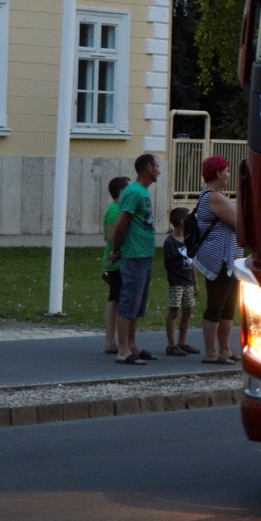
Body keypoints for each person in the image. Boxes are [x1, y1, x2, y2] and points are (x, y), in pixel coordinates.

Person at [109, 153, 160, 365]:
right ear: (148, 167)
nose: (159, 170)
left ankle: (132, 345)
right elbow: (121, 224)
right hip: (134, 255)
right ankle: (123, 350)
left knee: (137, 305)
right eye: (157, 166)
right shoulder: (134, 192)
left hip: (144, 255)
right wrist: (116, 249)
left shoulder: (142, 192)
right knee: (128, 301)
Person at [192, 154, 241, 364]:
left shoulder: (219, 196)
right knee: (217, 304)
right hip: (218, 260)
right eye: (227, 170)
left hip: (230, 259)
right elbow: (239, 223)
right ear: (219, 173)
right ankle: (211, 352)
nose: (229, 175)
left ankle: (225, 349)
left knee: (228, 306)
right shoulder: (213, 197)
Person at [162, 206, 200, 356]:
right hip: (176, 282)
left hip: (188, 282)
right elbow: (170, 264)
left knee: (188, 311)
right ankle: (171, 345)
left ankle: (182, 342)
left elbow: (192, 263)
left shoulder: (188, 240)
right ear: (183, 222)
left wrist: (195, 283)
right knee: (174, 311)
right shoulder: (170, 242)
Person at [100, 176, 130, 354]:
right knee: (118, 300)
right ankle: (113, 341)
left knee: (115, 299)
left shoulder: (120, 209)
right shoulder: (114, 210)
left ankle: (112, 341)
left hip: (118, 261)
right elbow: (113, 236)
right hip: (116, 263)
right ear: (120, 192)